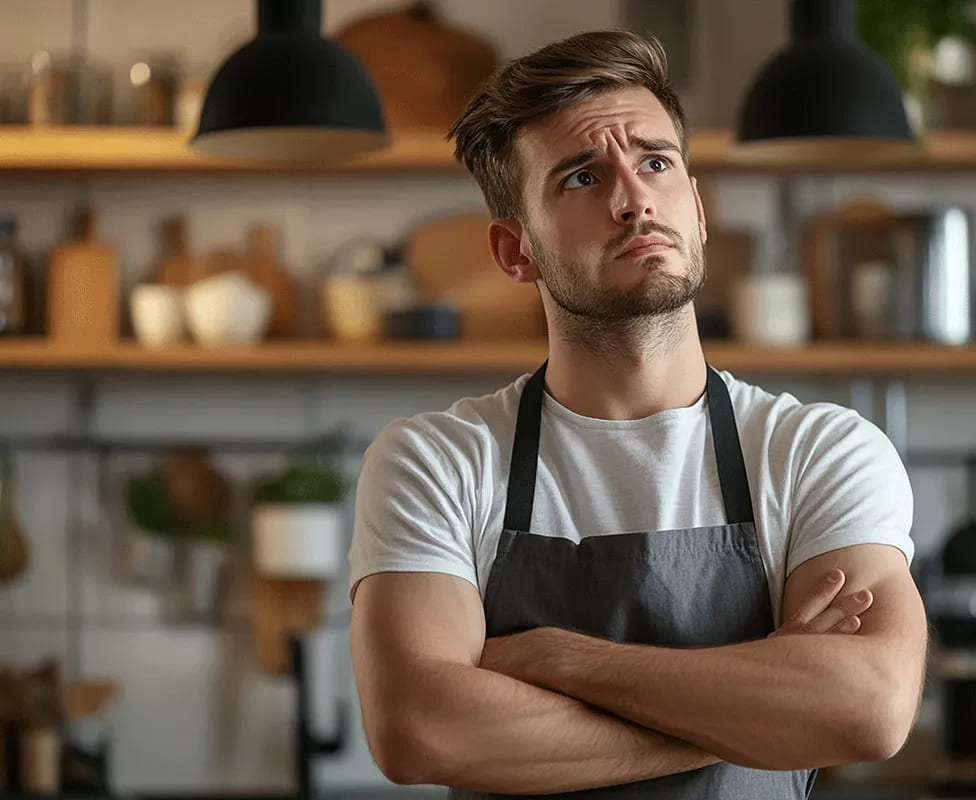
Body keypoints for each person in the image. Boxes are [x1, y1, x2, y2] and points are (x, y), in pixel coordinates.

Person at [349, 29, 927, 799]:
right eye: (583, 177)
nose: (633, 199)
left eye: (655, 161)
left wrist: (560, 662)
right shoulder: (439, 461)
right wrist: (760, 705)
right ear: (514, 250)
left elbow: (868, 709)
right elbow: (422, 729)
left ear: (697, 206)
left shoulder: (817, 452)